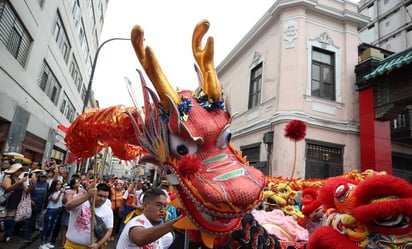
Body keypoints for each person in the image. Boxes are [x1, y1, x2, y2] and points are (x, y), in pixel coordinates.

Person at [116, 187, 182, 249]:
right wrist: (176, 223)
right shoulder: (137, 222)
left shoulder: (164, 234)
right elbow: (139, 238)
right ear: (145, 205)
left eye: (165, 206)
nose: (162, 210)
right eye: (158, 205)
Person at [64, 182, 113, 249]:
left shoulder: (108, 210)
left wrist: (98, 245)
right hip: (71, 246)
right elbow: (68, 206)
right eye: (100, 195)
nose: (102, 199)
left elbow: (109, 230)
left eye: (105, 197)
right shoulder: (82, 201)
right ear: (94, 193)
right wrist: (87, 196)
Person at [1, 163, 29, 242]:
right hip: (5, 204)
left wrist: (33, 184)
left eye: (20, 170)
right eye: (18, 170)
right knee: (1, 224)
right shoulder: (7, 178)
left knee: (8, 224)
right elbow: (8, 188)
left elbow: (27, 190)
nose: (20, 172)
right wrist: (19, 183)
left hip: (14, 205)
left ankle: (3, 239)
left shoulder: (21, 180)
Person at [39, 179, 65, 249]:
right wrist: (60, 193)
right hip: (49, 210)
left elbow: (62, 201)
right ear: (54, 185)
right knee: (46, 226)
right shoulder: (50, 193)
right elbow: (55, 201)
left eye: (60, 184)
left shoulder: (60, 192)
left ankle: (47, 242)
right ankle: (42, 244)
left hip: (56, 211)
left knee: (51, 227)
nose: (59, 186)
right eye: (57, 184)